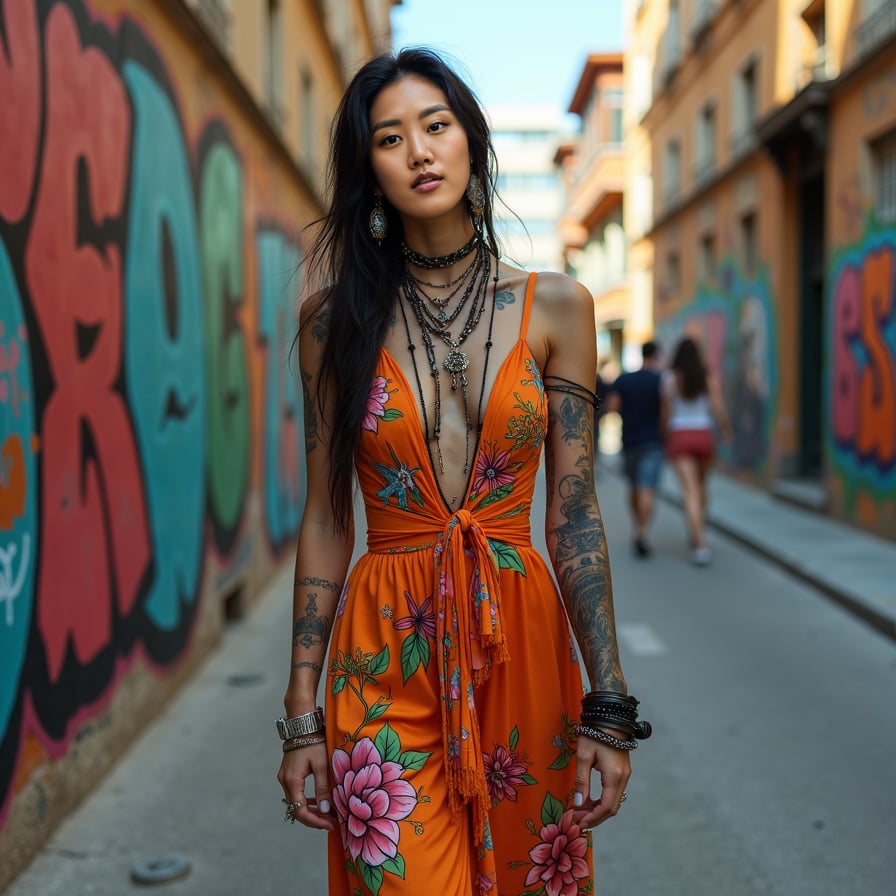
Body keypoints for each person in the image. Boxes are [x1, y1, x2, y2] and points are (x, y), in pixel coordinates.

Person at [275, 48, 650, 895]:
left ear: (471, 144)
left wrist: (610, 706)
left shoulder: (558, 305)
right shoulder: (330, 325)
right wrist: (302, 713)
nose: (419, 150)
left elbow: (575, 514)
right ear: (368, 170)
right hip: (385, 647)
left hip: (519, 639)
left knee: (529, 879)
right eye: (390, 137)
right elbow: (328, 517)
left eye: (437, 126)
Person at [662, 336, 732, 566]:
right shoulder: (707, 376)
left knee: (690, 492)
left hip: (680, 435)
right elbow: (718, 407)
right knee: (701, 489)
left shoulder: (670, 378)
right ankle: (698, 532)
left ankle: (699, 543)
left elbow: (666, 415)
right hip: (704, 435)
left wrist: (665, 438)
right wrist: (725, 430)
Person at [604, 341, 665, 558]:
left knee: (634, 486)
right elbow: (667, 412)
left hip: (629, 441)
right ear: (656, 355)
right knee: (646, 487)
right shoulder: (660, 381)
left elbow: (612, 406)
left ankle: (637, 527)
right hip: (653, 442)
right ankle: (642, 531)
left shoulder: (624, 380)